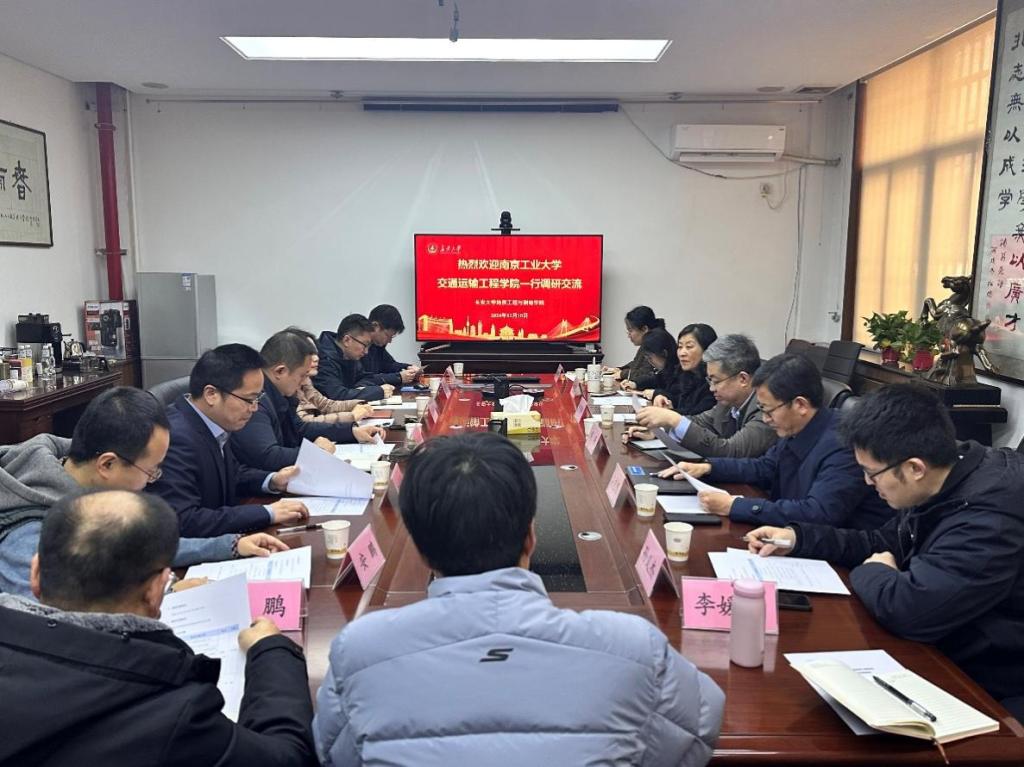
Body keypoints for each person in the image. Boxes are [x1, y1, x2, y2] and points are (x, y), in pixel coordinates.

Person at [314, 432, 723, 766]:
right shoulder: (633, 646)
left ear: (420, 550)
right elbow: (700, 728)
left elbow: (337, 754)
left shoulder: (360, 650)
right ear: (531, 536)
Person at [746, 384, 1024, 720]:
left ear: (914, 468)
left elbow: (910, 610)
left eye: (871, 472)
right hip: (943, 649)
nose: (867, 483)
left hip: (991, 686)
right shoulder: (942, 477)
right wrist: (798, 539)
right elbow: (883, 542)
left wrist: (873, 571)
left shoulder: (989, 518)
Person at [0, 490, 317, 766]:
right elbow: (287, 756)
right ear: (156, 590)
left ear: (35, 573)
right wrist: (271, 650)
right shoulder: (176, 714)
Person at [0, 387, 288, 598]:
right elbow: (48, 625)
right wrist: (165, 593)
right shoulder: (29, 533)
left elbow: (135, 545)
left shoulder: (88, 488)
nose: (152, 482)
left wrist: (231, 546)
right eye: (151, 471)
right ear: (107, 464)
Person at [661, 353, 889, 530]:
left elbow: (818, 513)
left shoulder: (843, 444)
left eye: (768, 410)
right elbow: (766, 467)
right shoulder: (796, 427)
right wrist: (708, 467)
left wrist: (735, 505)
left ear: (800, 405)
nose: (765, 419)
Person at [150, 344, 309, 537]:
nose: (254, 408)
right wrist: (266, 513)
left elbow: (233, 474)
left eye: (258, 398)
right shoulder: (175, 438)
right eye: (249, 400)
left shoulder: (213, 421)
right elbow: (185, 520)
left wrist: (273, 481)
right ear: (211, 395)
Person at [234, 331, 386, 472]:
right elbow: (267, 456)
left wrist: (351, 432)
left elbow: (299, 429)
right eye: (302, 375)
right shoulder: (255, 400)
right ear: (280, 371)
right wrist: (314, 453)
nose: (304, 382)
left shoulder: (280, 393)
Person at [627, 334, 777, 458]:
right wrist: (659, 430)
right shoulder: (728, 401)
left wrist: (674, 419)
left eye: (716, 381)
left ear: (743, 379)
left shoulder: (767, 408)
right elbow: (701, 422)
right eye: (710, 380)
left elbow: (730, 451)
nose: (711, 388)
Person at [284, 328, 373, 425]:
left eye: (316, 353)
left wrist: (359, 403)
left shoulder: (305, 381)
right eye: (309, 354)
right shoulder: (287, 387)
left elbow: (326, 405)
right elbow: (304, 424)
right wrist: (351, 416)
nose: (316, 358)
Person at [316, 314, 394, 402]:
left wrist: (360, 388)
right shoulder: (323, 359)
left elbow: (365, 377)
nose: (366, 352)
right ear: (347, 340)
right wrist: (378, 392)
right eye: (365, 345)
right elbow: (337, 396)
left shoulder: (349, 355)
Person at [362, 304, 421, 387]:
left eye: (392, 337)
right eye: (387, 335)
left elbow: (390, 365)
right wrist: (398, 377)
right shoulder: (357, 348)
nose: (390, 341)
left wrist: (410, 368)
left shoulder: (377, 346)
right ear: (375, 326)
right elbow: (363, 379)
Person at [603, 306, 664, 385]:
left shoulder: (657, 344)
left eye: (630, 330)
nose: (629, 335)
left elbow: (647, 373)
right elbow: (636, 364)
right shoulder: (648, 342)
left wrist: (622, 374)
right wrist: (619, 369)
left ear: (644, 329)